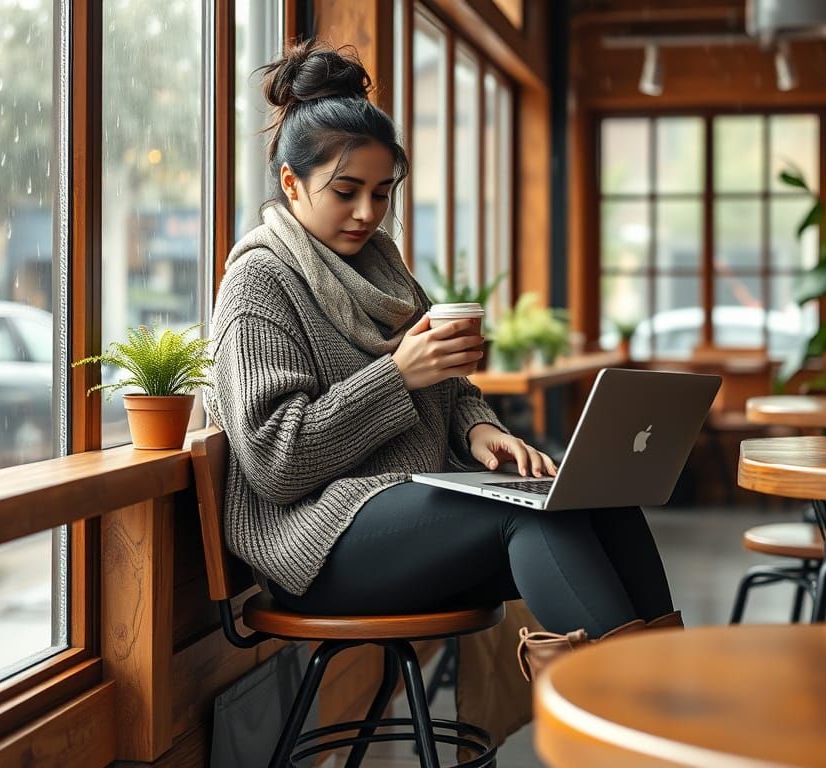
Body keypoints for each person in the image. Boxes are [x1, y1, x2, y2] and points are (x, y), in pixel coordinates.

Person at [205, 41, 680, 684]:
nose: (368, 213)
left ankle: (663, 697)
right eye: (346, 192)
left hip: (411, 510)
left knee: (594, 498)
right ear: (292, 182)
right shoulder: (258, 284)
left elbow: (454, 391)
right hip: (315, 545)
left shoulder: (385, 273)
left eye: (382, 192)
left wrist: (481, 430)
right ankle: (626, 710)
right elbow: (274, 461)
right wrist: (396, 375)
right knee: (525, 516)